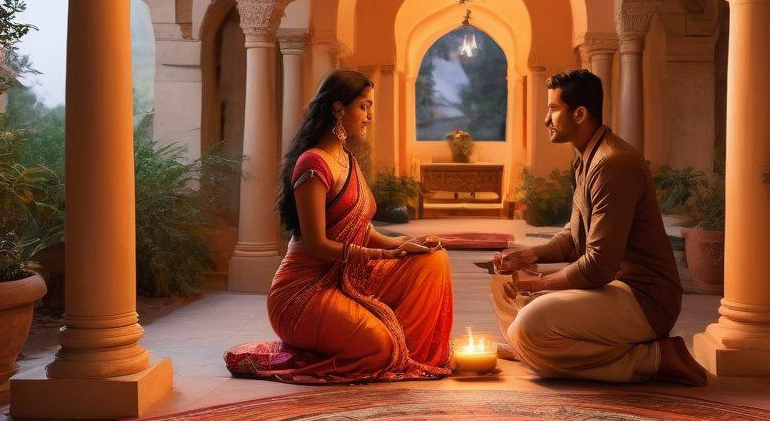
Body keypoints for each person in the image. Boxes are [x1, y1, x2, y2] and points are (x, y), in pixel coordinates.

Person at [225, 69, 453, 385]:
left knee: (431, 260)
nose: (369, 116)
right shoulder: (313, 163)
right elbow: (317, 244)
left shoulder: (347, 160)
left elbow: (362, 229)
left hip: (346, 279)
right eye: (363, 106)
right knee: (379, 347)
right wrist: (383, 256)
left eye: (370, 107)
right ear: (338, 108)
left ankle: (409, 353)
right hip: (304, 293)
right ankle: (388, 348)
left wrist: (402, 244)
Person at [491, 68, 706, 385]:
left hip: (642, 298)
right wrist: (527, 257)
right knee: (504, 290)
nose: (546, 120)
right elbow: (573, 235)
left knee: (528, 324)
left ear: (579, 114)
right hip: (609, 288)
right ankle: (540, 351)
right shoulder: (586, 158)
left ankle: (653, 358)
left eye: (553, 109)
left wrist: (536, 284)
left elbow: (598, 266)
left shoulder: (612, 164)